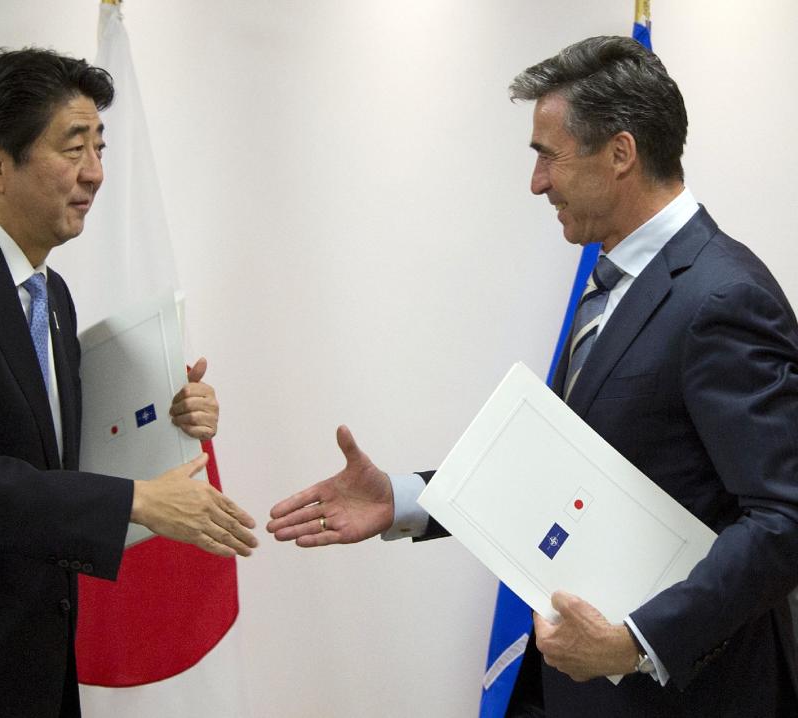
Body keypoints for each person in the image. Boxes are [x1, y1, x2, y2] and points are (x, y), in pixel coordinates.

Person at [268, 36, 798, 717]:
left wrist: (637, 640)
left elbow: (785, 516)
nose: (537, 182)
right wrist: (400, 500)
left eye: (547, 155)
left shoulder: (722, 297)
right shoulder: (617, 280)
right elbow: (560, 475)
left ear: (620, 154)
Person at [0, 47, 257, 718]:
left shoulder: (50, 296)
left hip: (29, 660)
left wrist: (169, 416)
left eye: (99, 147)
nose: (94, 173)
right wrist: (135, 503)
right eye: (72, 148)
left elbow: (56, 460)